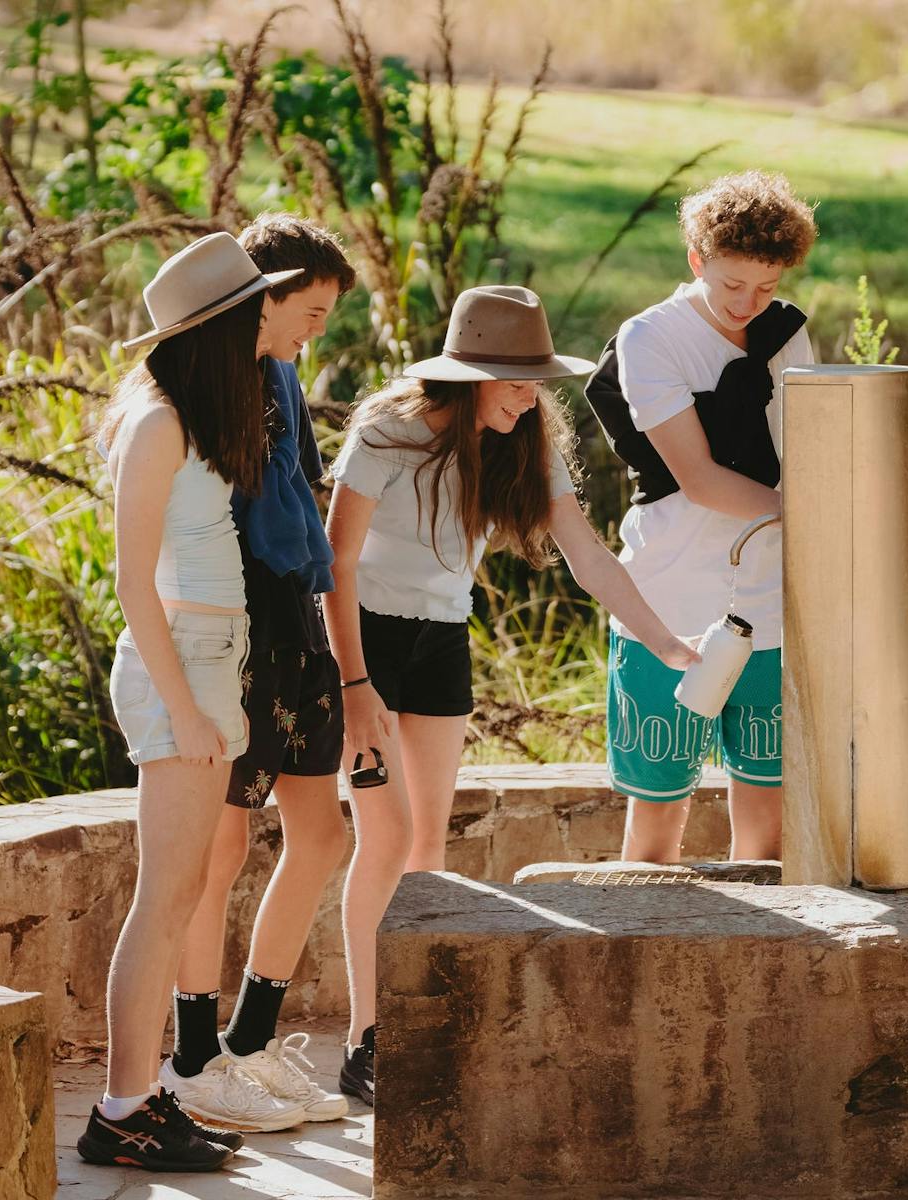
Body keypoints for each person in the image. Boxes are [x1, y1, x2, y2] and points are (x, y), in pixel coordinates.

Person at [323, 285, 699, 1106]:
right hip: (366, 644)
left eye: (537, 380)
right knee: (382, 843)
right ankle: (364, 1040)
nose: (531, 396)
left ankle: (403, 1028)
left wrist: (667, 640)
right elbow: (336, 566)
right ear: (465, 376)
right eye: (514, 380)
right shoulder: (385, 432)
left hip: (440, 643)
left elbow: (590, 555)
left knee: (426, 850)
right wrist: (353, 684)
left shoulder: (526, 443)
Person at [77, 232, 306, 1171]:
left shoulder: (196, 414)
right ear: (214, 329)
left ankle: (139, 1101)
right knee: (163, 899)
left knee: (175, 896)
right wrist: (191, 710)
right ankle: (122, 1111)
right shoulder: (158, 424)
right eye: (255, 308)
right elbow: (131, 585)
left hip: (211, 664)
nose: (268, 320)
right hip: (182, 669)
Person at [158, 214, 360, 1128]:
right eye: (310, 309)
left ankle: (248, 1043)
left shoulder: (283, 369)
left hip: (296, 619)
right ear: (262, 295)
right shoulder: (210, 382)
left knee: (324, 834)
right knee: (221, 846)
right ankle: (193, 1061)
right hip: (233, 628)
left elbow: (302, 503)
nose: (317, 328)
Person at [583, 170, 817, 867]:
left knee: (768, 837)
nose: (749, 304)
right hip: (671, 606)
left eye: (767, 287)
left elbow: (806, 453)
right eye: (731, 285)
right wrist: (818, 516)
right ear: (697, 261)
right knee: (655, 835)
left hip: (772, 608)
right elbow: (702, 480)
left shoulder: (785, 335)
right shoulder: (649, 337)